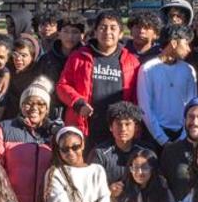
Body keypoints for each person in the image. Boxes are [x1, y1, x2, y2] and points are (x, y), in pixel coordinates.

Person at [57, 10, 139, 143]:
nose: (108, 32)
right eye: (103, 27)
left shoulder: (132, 62)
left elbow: (136, 97)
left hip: (118, 130)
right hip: (84, 126)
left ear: (121, 34)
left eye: (113, 28)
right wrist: (78, 103)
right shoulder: (79, 56)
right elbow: (62, 86)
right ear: (95, 32)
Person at [136, 24, 198, 146]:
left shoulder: (188, 70)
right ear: (174, 43)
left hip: (183, 134)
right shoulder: (148, 69)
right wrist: (162, 139)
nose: (189, 49)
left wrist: (184, 135)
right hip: (154, 136)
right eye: (186, 44)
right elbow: (145, 107)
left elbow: (192, 104)